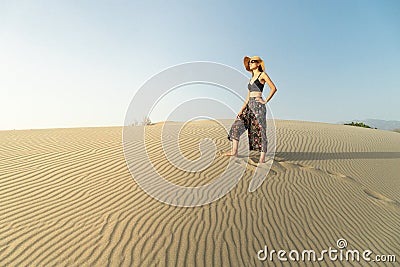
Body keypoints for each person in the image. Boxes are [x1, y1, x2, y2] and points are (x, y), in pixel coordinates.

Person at [224, 55, 278, 163]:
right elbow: (248, 97)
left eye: (252, 61)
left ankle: (262, 158)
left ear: (258, 63)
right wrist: (241, 110)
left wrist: (265, 101)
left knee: (260, 130)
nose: (250, 63)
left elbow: (274, 88)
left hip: (258, 107)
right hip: (249, 106)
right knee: (236, 126)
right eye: (249, 62)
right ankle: (235, 151)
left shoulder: (263, 75)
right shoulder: (251, 79)